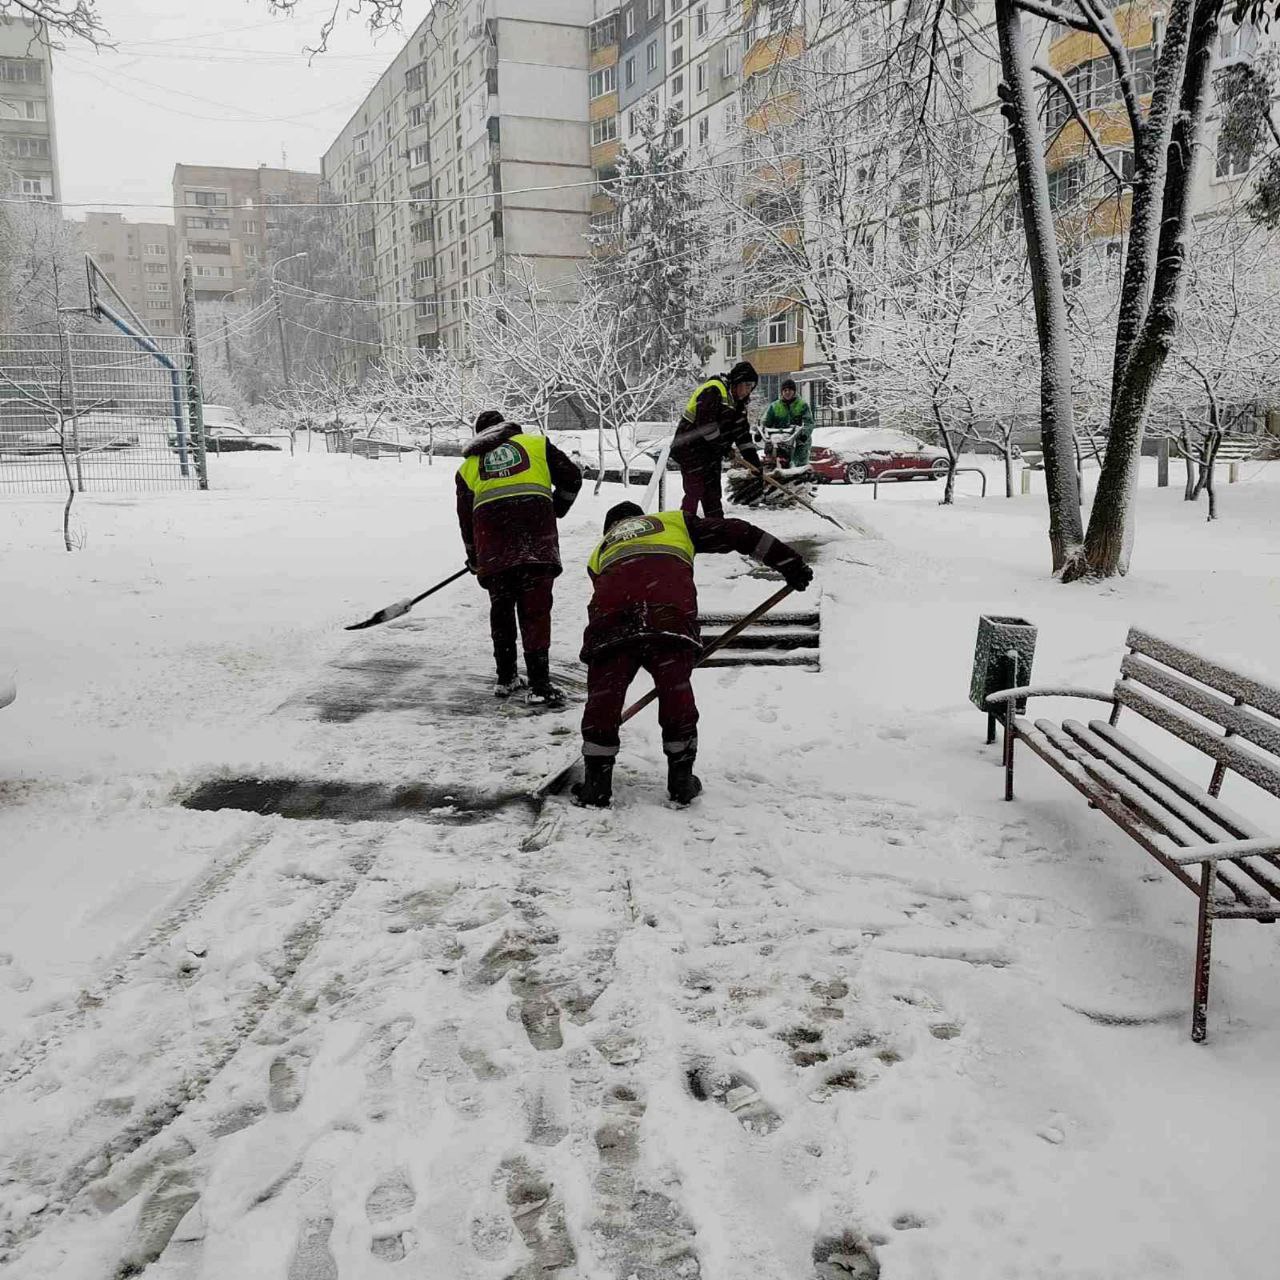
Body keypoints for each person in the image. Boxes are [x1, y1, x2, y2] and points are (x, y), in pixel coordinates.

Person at [572, 501, 813, 809]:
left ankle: (596, 784)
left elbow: (611, 587)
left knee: (604, 696)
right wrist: (788, 562)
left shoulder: (601, 549)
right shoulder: (673, 522)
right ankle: (682, 781)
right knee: (676, 694)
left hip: (613, 620)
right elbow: (739, 532)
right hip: (668, 614)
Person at [457, 409, 582, 706]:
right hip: (536, 543)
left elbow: (465, 519)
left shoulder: (468, 467)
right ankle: (539, 684)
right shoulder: (536, 445)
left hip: (495, 550)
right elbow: (572, 478)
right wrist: (556, 508)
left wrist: (474, 555)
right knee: (535, 611)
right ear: (508, 428)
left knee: (502, 610)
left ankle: (507, 677)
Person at [671, 361, 764, 518]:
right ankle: (685, 527)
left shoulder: (738, 406)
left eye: (751, 387)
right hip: (690, 449)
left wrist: (755, 464)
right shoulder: (714, 389)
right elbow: (706, 424)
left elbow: (742, 437)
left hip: (711, 453)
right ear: (737, 381)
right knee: (695, 491)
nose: (748, 391)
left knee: (713, 496)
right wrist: (724, 448)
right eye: (747, 385)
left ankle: (716, 530)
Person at [762, 379, 815, 469]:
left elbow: (808, 422)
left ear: (794, 391)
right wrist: (762, 429)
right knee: (770, 449)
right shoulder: (774, 406)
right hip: (780, 438)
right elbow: (766, 421)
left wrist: (804, 434)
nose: (787, 392)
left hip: (797, 438)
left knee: (799, 458)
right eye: (785, 390)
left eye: (789, 390)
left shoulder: (802, 405)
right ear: (782, 392)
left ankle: (799, 471)